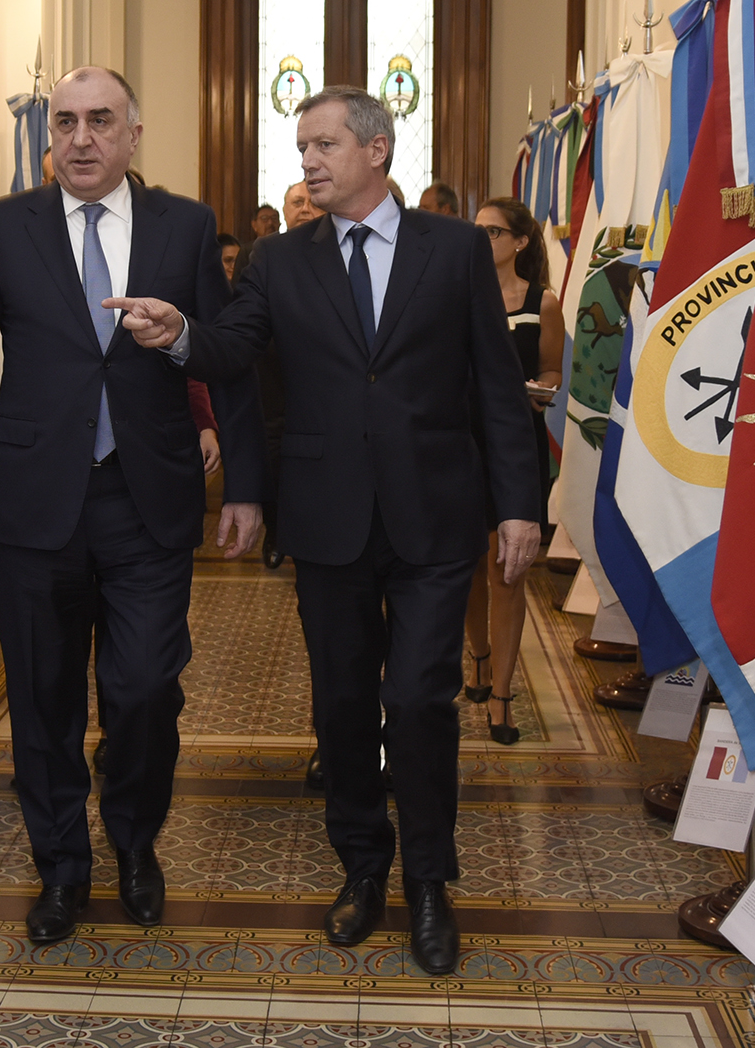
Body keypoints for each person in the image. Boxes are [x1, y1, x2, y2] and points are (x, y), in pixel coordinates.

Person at [105, 85, 540, 976]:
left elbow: (497, 389)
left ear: (376, 150)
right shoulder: (279, 258)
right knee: (342, 706)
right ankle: (363, 869)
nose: (307, 160)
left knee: (418, 700)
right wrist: (180, 330)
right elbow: (234, 350)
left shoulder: (453, 250)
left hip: (433, 515)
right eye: (302, 145)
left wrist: (520, 504)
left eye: (324, 144)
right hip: (330, 519)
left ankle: (428, 881)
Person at [0, 66, 264, 945]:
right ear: (49, 138)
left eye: (101, 121)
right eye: (66, 122)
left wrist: (243, 474)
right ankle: (61, 868)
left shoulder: (184, 227)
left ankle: (136, 842)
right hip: (35, 504)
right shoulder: (3, 228)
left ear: (133, 135)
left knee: (144, 687)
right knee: (41, 699)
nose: (81, 138)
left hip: (147, 500)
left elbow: (227, 354)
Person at [461, 197, 563, 745]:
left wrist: (541, 390)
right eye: (475, 232)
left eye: (493, 233)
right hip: (463, 444)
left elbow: (551, 368)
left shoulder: (542, 301)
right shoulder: (457, 293)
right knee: (470, 567)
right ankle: (477, 657)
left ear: (520, 242)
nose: (482, 241)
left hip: (517, 444)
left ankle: (501, 693)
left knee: (509, 571)